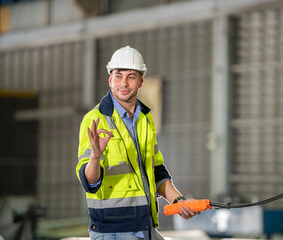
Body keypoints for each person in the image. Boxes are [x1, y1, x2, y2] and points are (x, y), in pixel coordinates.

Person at [76, 46, 199, 240]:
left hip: (144, 224)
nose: (123, 83)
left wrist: (178, 201)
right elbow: (89, 182)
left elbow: (156, 168)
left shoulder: (145, 119)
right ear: (110, 79)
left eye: (131, 76)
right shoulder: (95, 120)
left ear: (141, 81)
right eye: (118, 76)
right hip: (112, 230)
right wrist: (95, 157)